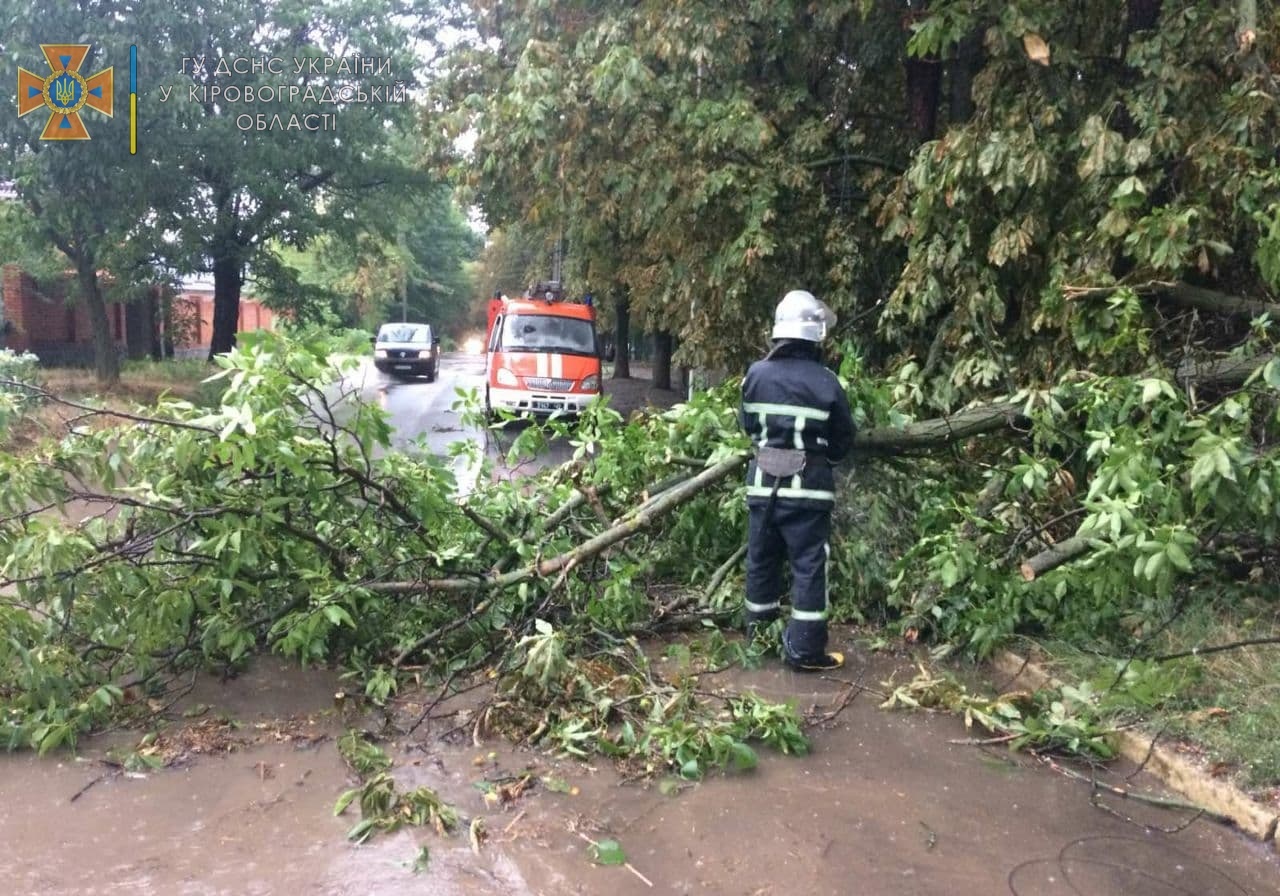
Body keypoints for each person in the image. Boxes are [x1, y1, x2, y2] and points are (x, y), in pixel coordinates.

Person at [740, 289, 856, 671]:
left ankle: (758, 638)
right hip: (809, 491)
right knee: (808, 564)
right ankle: (805, 651)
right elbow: (844, 438)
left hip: (762, 486)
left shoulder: (755, 375)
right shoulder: (826, 382)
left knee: (761, 559)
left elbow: (748, 426)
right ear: (816, 335)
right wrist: (829, 458)